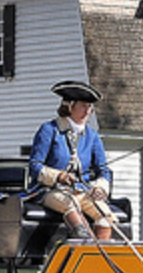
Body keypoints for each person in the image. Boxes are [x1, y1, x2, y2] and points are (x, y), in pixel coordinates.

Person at [27, 80, 113, 240]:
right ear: (69, 106)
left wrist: (100, 188)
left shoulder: (93, 136)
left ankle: (100, 259)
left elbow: (103, 170)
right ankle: (81, 238)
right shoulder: (49, 130)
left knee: (105, 215)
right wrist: (59, 176)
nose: (87, 112)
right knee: (70, 204)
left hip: (82, 191)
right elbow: (35, 166)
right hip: (50, 191)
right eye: (83, 106)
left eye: (90, 108)